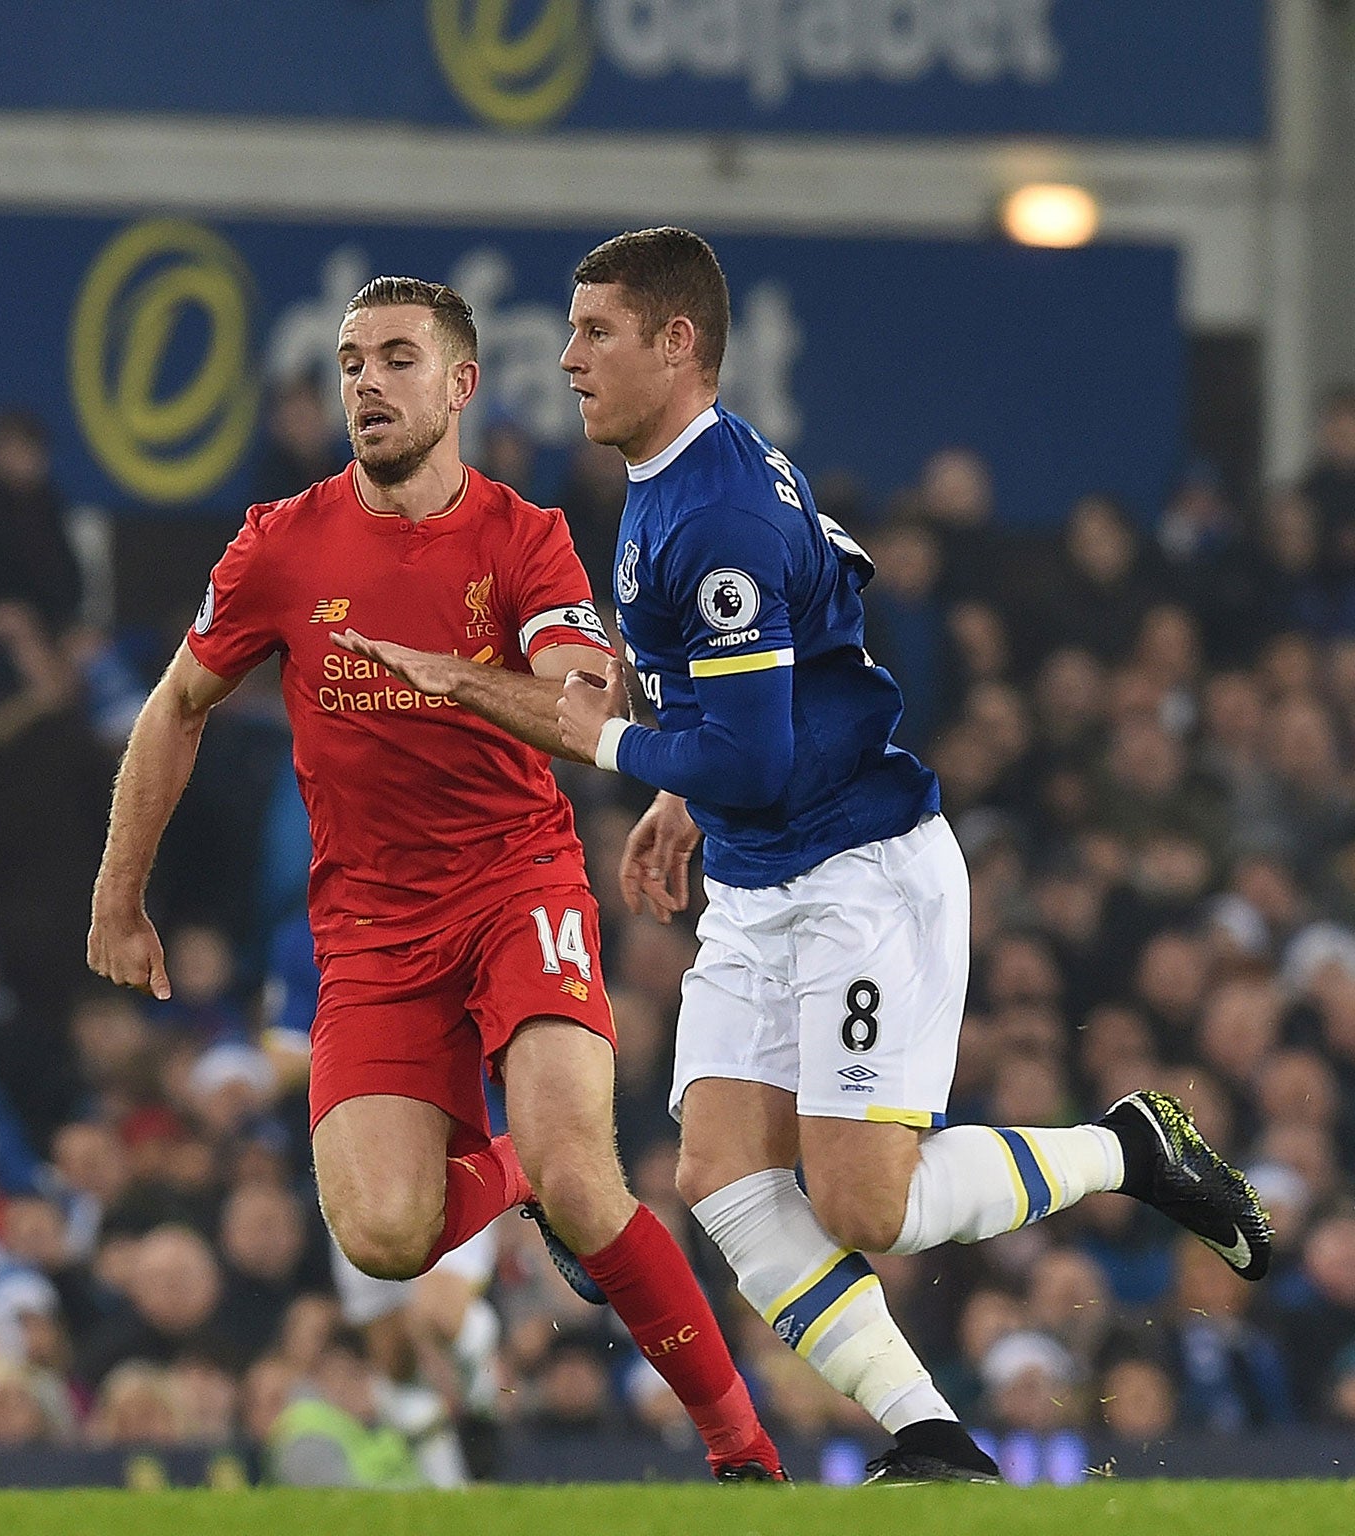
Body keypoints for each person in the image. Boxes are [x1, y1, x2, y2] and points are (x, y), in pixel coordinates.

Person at [365, 226, 1273, 1482]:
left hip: (857, 874)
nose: (564, 358)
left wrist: (621, 746)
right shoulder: (678, 477)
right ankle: (932, 1439)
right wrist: (699, 786)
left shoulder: (716, 508)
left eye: (594, 331)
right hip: (755, 874)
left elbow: (734, 729)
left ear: (677, 345)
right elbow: (827, 606)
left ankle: (1130, 1148)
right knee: (723, 1178)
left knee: (863, 1207)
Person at [88, 277, 782, 1479]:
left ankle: (741, 1452)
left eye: (396, 359)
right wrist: (117, 894)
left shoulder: (522, 536)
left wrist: (467, 679)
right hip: (363, 930)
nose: (364, 381)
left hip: (518, 887)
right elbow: (174, 705)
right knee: (384, 1239)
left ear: (459, 385)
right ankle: (512, 1175)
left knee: (583, 1165)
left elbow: (581, 695)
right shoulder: (278, 544)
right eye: (350, 361)